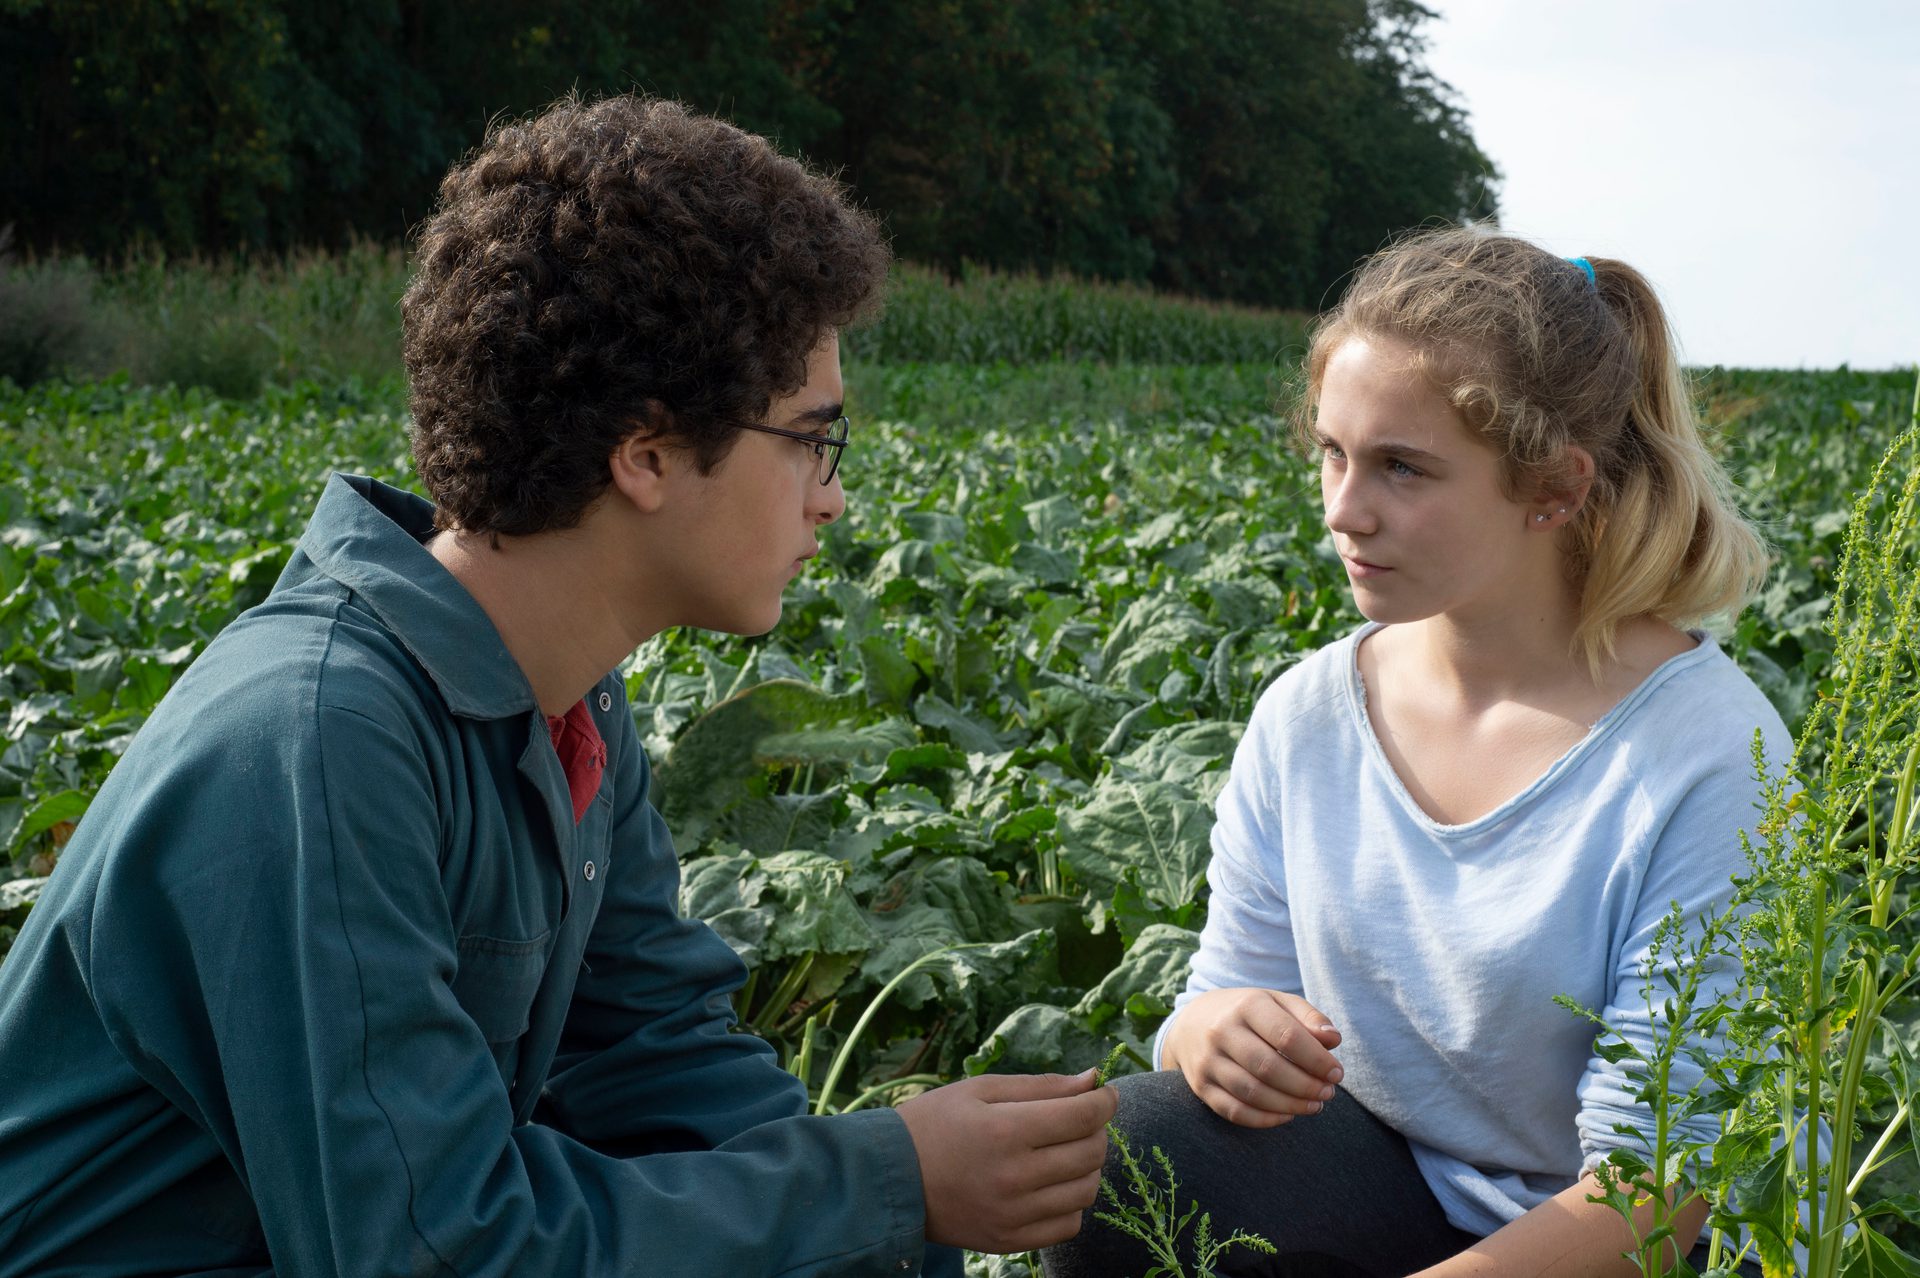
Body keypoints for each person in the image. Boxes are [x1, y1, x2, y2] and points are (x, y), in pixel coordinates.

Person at [0, 95, 1115, 1277]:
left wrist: (903, 1223)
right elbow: (436, 1255)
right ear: (646, 455)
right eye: (809, 438)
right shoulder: (319, 739)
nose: (832, 497)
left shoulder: (568, 698)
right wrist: (884, 1181)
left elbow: (654, 1058)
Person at [1044, 229, 1785, 1278]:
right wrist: (1212, 1030)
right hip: (1394, 1191)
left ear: (1555, 488)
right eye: (1333, 453)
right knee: (1125, 1157)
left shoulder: (1710, 754)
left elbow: (1662, 1183)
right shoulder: (1307, 715)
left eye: (1402, 467)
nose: (1344, 511)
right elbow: (1221, 989)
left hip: (1643, 1242)